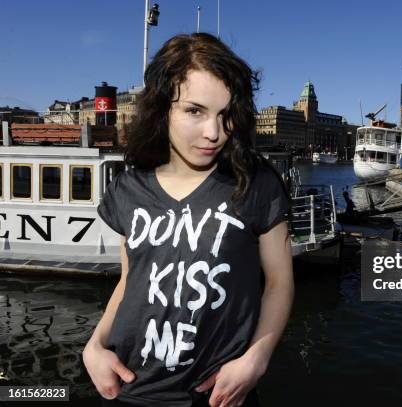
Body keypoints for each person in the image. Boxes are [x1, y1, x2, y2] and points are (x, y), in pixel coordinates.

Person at [83, 33, 294, 407]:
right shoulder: (129, 188)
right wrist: (95, 345)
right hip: (127, 388)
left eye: (225, 115)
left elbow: (278, 282)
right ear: (162, 108)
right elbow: (132, 280)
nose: (214, 132)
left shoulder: (256, 184)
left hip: (216, 395)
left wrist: (255, 360)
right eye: (195, 111)